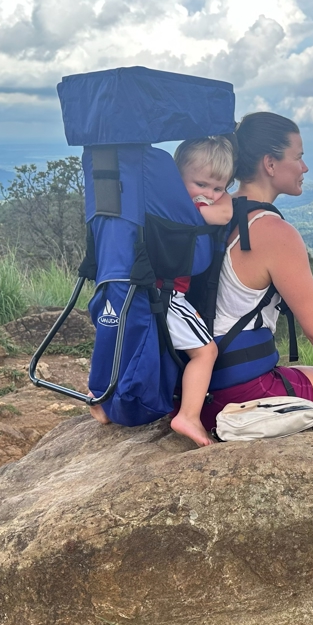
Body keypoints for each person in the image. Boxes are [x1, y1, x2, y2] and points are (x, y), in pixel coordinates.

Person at [198, 112, 313, 442]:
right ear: (270, 163)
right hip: (240, 392)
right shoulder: (274, 231)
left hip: (200, 384)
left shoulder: (217, 210)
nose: (304, 168)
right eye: (298, 157)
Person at [86, 136, 235, 450]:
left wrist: (204, 189)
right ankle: (189, 416)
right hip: (166, 296)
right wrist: (218, 199)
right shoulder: (188, 207)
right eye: (200, 184)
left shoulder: (146, 200)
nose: (208, 194)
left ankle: (98, 395)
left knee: (117, 337)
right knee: (205, 352)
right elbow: (223, 214)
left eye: (218, 188)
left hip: (126, 287)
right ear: (176, 177)